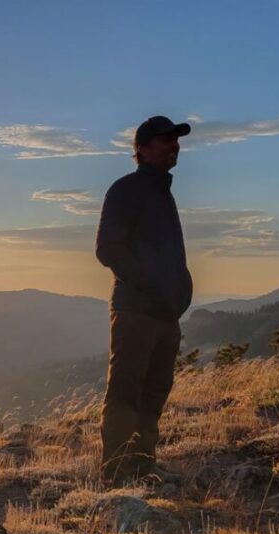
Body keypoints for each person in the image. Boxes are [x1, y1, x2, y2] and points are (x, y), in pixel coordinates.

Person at [94, 115, 193, 485]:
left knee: (154, 391)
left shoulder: (162, 191)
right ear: (143, 148)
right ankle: (116, 474)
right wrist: (147, 283)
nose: (174, 145)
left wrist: (180, 288)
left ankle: (142, 464)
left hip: (165, 313)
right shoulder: (126, 190)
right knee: (126, 391)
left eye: (176, 140)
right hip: (135, 309)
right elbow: (108, 248)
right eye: (166, 140)